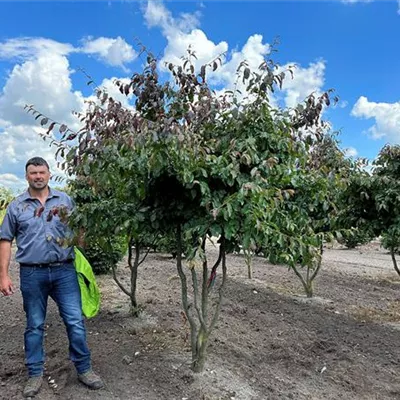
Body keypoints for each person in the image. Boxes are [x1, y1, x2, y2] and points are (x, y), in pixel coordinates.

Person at [0, 157, 104, 398]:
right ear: (26, 176)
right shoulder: (17, 207)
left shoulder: (65, 201)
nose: (38, 176)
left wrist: (82, 238)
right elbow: (5, 239)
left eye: (42, 172)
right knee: (34, 325)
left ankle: (84, 368)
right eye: (33, 172)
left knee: (75, 321)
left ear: (49, 174)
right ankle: (35, 374)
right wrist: (3, 275)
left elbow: (79, 229)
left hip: (63, 271)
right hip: (31, 273)